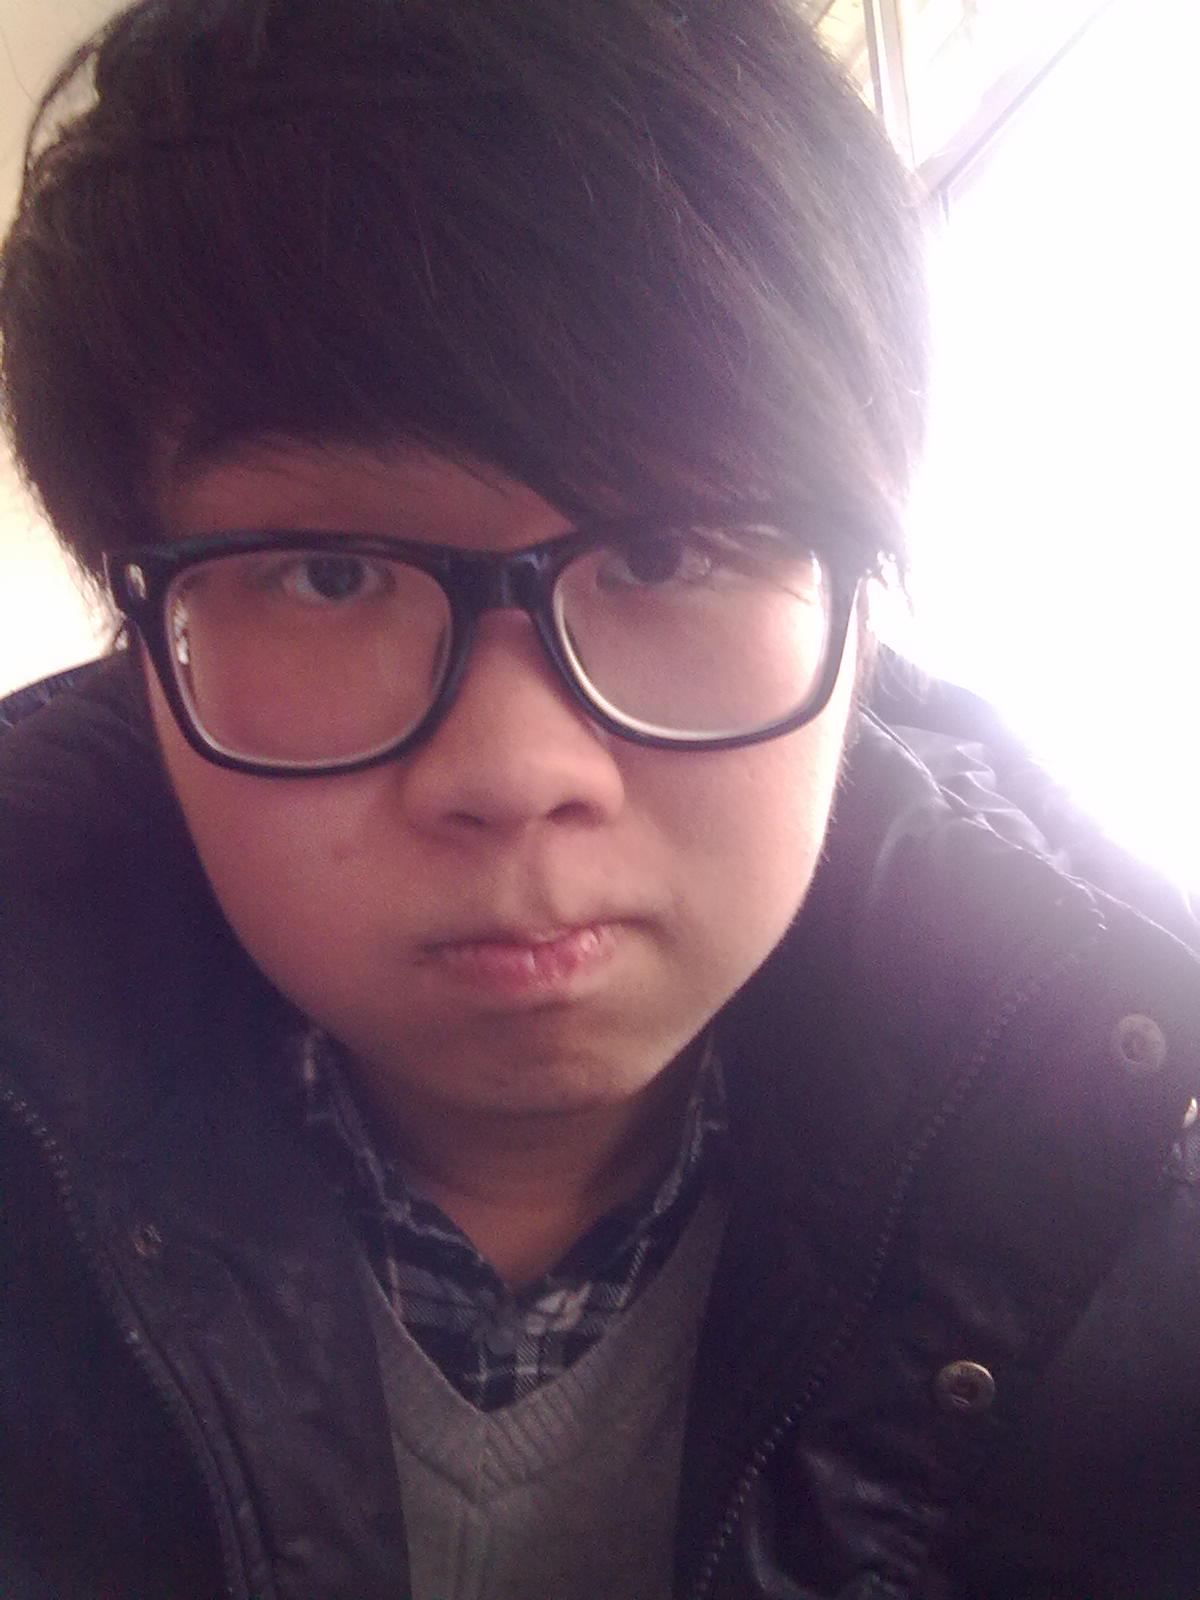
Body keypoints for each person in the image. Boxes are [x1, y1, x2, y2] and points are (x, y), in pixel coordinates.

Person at [0, 2, 1197, 1597]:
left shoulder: (1143, 1218)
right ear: (144, 636)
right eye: (329, 573)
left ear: (859, 603)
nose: (515, 774)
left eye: (669, 553)